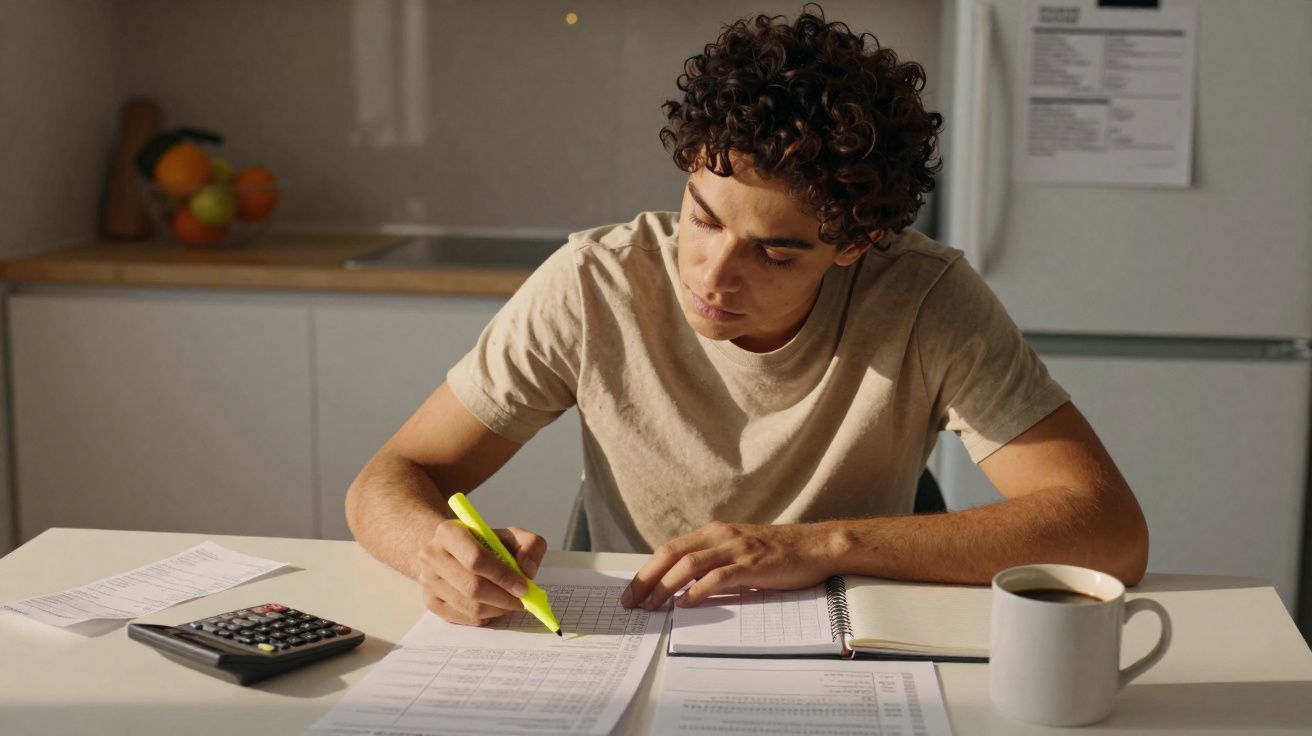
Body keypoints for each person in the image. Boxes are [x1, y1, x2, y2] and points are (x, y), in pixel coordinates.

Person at [345, 6, 1149, 627]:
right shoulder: (595, 286)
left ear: (856, 244)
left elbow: (1107, 528)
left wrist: (822, 544)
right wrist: (432, 551)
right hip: (631, 632)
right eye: (702, 217)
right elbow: (391, 478)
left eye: (775, 252)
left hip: (855, 637)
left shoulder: (925, 300)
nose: (712, 275)